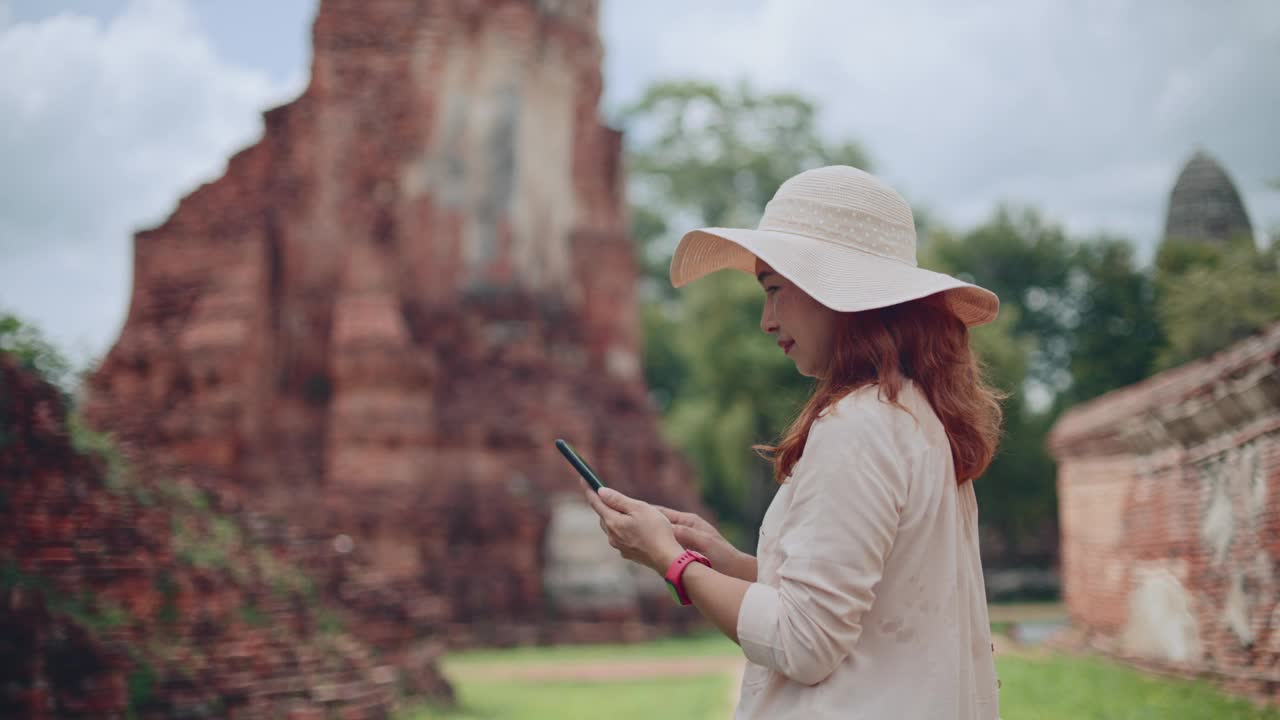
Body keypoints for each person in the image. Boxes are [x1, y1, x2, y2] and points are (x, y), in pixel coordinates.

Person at [584, 165, 1004, 719]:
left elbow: (803, 643)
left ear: (832, 290)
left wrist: (669, 559)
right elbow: (856, 605)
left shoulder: (858, 427)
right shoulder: (913, 416)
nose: (767, 319)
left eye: (775, 291)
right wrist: (726, 560)